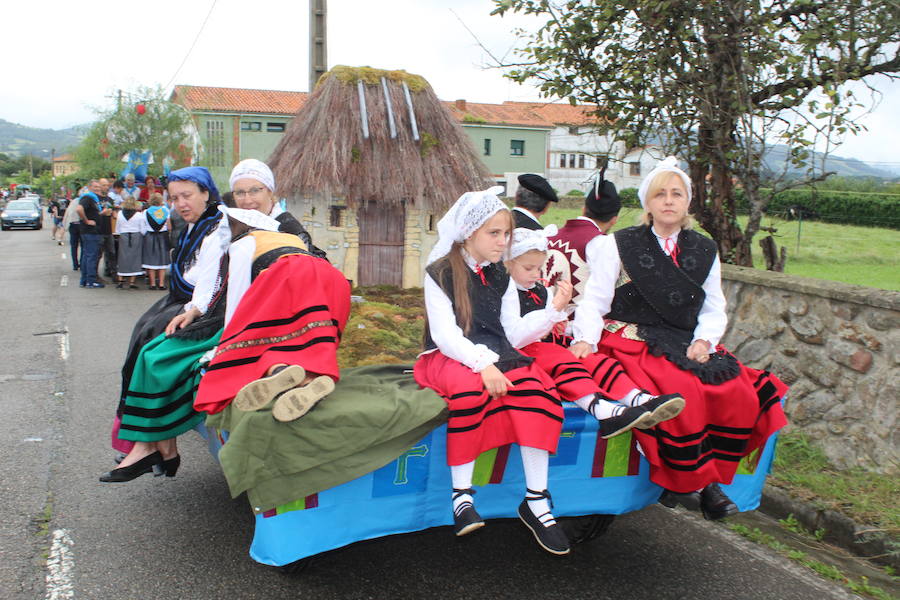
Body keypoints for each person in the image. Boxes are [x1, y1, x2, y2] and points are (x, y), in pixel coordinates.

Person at [569, 157, 789, 520]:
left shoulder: (704, 249)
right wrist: (585, 340)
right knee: (680, 388)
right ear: (648, 202)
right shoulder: (618, 245)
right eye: (660, 194)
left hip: (682, 339)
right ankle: (702, 485)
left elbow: (713, 305)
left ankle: (705, 474)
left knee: (736, 387)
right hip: (630, 338)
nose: (668, 201)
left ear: (688, 201)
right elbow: (595, 300)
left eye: (676, 194)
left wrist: (704, 342)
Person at [413, 186, 570, 556]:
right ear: (470, 233)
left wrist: (551, 313)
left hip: (496, 352)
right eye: (494, 233)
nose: (503, 242)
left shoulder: (500, 274)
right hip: (448, 355)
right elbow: (445, 335)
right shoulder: (440, 272)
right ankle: (462, 497)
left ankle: (536, 500)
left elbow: (511, 333)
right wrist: (483, 365)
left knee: (537, 392)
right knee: (469, 391)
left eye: (506, 233)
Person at [103, 167, 230, 482]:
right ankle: (155, 445)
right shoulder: (196, 225)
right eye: (174, 198)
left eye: (187, 195)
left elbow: (212, 280)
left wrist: (194, 310)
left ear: (206, 193)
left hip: (211, 310)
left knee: (155, 352)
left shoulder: (219, 228)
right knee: (143, 335)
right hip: (186, 300)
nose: (180, 203)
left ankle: (155, 446)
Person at [506, 226, 684, 437]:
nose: (537, 274)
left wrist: (560, 321)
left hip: (549, 344)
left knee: (594, 359)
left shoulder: (542, 290)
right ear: (508, 264)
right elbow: (515, 334)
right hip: (525, 351)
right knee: (564, 362)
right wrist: (552, 313)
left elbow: (552, 319)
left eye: (539, 268)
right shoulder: (506, 291)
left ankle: (635, 397)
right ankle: (599, 409)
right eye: (529, 269)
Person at [193, 206, 350, 420]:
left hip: (287, 274)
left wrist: (228, 342)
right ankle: (311, 379)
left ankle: (277, 370)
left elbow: (238, 294)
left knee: (258, 342)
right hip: (332, 279)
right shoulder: (289, 238)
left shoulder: (243, 244)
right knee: (310, 341)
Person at [545, 169, 621, 314]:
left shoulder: (549, 235)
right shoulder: (604, 244)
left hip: (543, 322)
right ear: (614, 220)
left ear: (583, 209)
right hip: (581, 324)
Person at [75, 180, 106, 288]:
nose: (97, 188)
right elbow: (79, 209)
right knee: (91, 256)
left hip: (90, 231)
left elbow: (92, 213)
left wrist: (101, 213)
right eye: (95, 187)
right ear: (89, 187)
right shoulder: (88, 197)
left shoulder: (93, 199)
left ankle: (84, 280)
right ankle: (91, 281)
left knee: (86, 255)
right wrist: (87, 221)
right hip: (90, 232)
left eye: (98, 187)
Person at [141, 192, 171, 290]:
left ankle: (153, 284)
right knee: (162, 261)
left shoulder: (145, 212)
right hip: (162, 236)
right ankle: (161, 284)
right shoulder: (166, 211)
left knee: (151, 261)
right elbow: (169, 226)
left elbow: (143, 228)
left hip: (150, 236)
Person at [114, 197, 145, 289]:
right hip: (136, 236)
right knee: (135, 258)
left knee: (122, 257)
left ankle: (120, 280)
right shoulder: (139, 215)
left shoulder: (120, 213)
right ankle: (132, 282)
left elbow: (117, 228)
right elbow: (142, 229)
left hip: (123, 236)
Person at [97, 178, 118, 280]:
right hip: (99, 230)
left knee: (111, 253)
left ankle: (113, 273)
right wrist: (103, 213)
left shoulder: (110, 199)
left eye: (107, 185)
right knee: (98, 254)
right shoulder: (96, 199)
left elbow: (113, 212)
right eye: (104, 185)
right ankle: (95, 275)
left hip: (109, 230)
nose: (106, 187)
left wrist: (114, 214)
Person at [62, 194, 82, 270]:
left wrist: (64, 225)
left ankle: (75, 264)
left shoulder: (73, 202)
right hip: (81, 224)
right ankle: (82, 262)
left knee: (74, 246)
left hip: (72, 224)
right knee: (83, 245)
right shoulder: (85, 200)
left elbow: (67, 213)